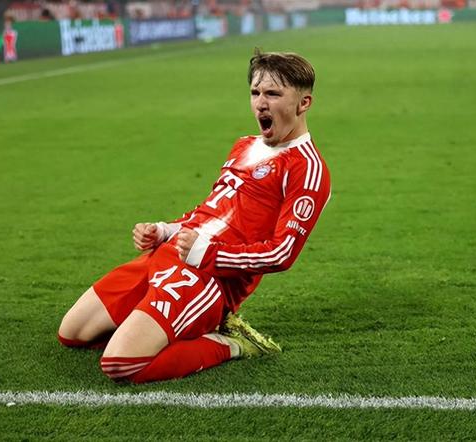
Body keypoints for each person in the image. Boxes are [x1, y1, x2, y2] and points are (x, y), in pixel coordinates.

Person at [58, 50, 331, 383]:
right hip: (169, 254)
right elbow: (212, 209)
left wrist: (209, 254)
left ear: (304, 103)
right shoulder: (244, 145)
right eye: (255, 92)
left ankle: (230, 343)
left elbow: (282, 253)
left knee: (120, 364)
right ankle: (156, 327)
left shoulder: (307, 168)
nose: (261, 103)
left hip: (208, 278)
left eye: (273, 94)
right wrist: (166, 230)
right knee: (72, 333)